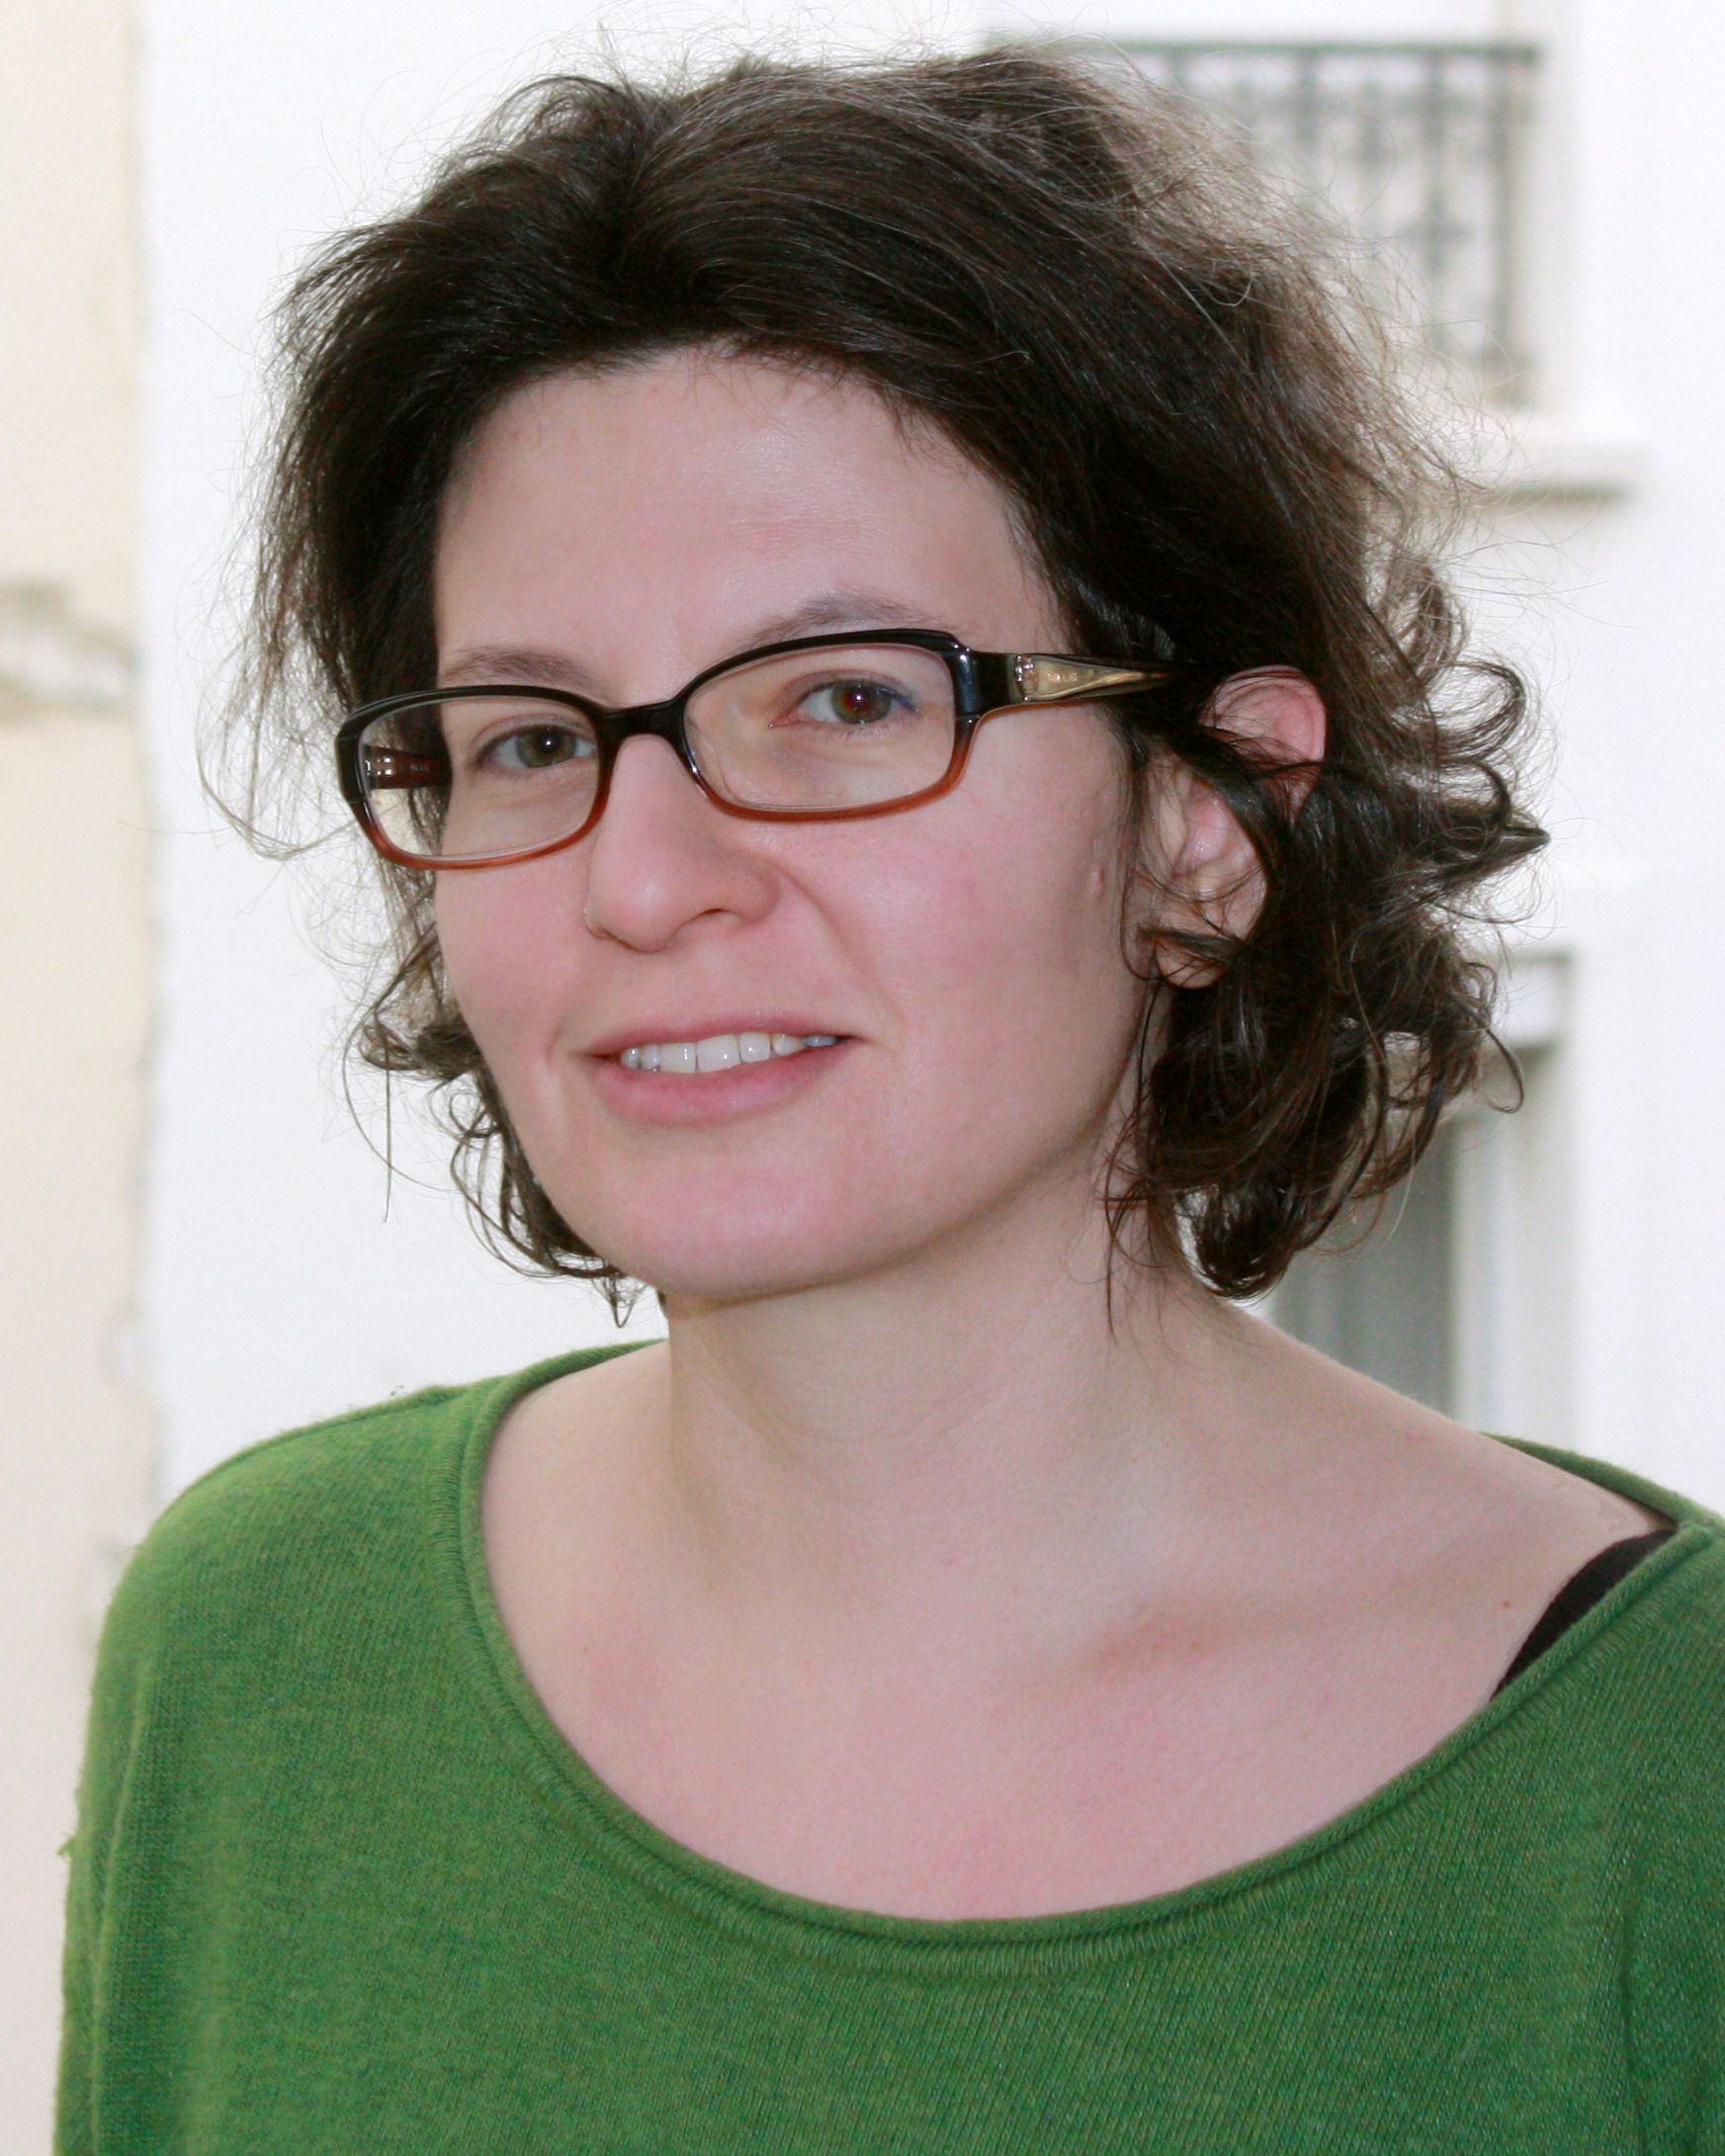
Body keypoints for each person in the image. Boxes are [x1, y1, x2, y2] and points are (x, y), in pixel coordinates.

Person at [59, 45, 1723, 2155]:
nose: (642, 880)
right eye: (531, 740)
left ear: (1207, 824)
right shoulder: (264, 1653)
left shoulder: (1660, 1784)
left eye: (845, 700)